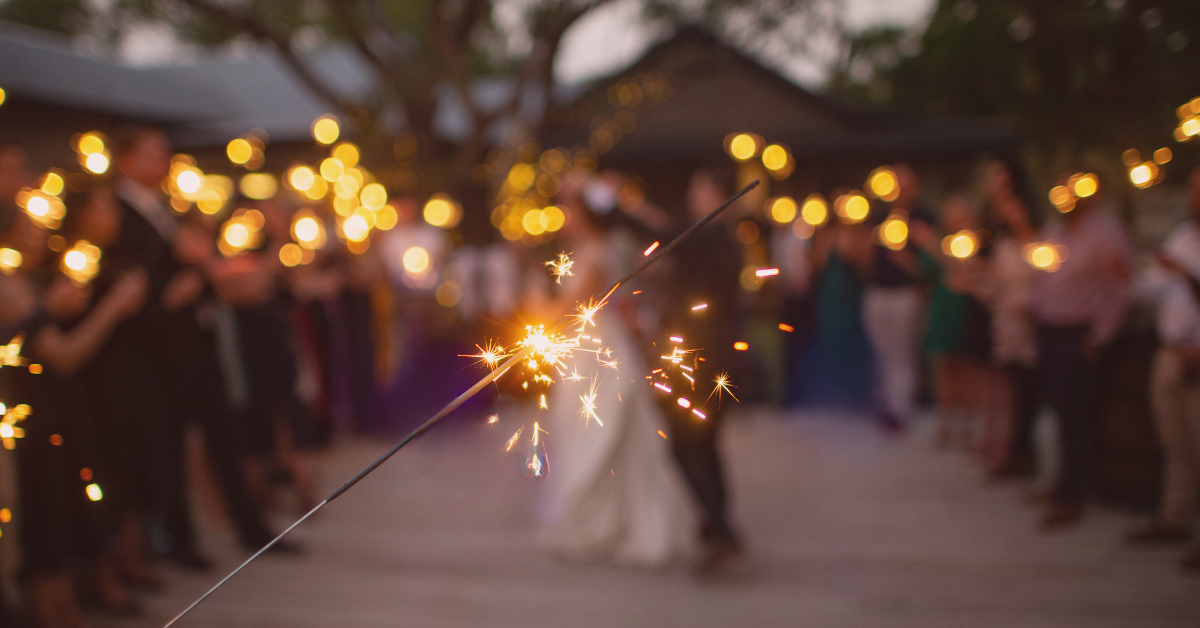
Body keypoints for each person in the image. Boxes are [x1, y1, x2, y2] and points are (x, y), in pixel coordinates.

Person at [539, 170, 691, 567]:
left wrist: (533, 309)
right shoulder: (587, 250)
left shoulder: (597, 252)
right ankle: (597, 518)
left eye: (567, 207)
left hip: (596, 350)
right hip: (587, 348)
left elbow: (569, 308)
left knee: (599, 430)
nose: (561, 215)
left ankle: (603, 523)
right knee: (585, 428)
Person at [1026, 172, 1135, 528]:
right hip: (1050, 330)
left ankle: (1072, 495)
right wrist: (1035, 308)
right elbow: (1041, 272)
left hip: (1079, 335)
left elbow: (1119, 289)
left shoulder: (1106, 234)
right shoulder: (1056, 230)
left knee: (1075, 416)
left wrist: (1098, 337)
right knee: (1056, 410)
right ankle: (1060, 482)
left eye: (1076, 190)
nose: (1066, 196)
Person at [657, 167, 744, 573]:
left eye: (696, 188)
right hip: (712, 356)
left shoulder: (709, 235)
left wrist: (608, 203)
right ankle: (719, 528)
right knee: (704, 444)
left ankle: (720, 529)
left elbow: (656, 232)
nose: (692, 196)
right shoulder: (725, 238)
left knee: (685, 445)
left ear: (714, 191)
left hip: (700, 358)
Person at [1127, 167, 1200, 572]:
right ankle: (1176, 517)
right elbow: (1155, 288)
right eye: (1194, 190)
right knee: (1176, 445)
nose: (1196, 199)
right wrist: (1126, 277)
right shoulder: (1183, 238)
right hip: (1170, 354)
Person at [862, 164, 933, 431]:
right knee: (881, 352)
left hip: (905, 294)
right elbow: (865, 258)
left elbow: (931, 263)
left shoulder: (922, 217)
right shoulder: (880, 215)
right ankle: (884, 405)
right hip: (877, 292)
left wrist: (909, 263)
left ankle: (900, 410)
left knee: (902, 353)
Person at [983, 161, 1042, 480]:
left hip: (1030, 323)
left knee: (1027, 391)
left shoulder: (1037, 243)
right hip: (1005, 320)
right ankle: (1010, 450)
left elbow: (1046, 274)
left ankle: (1024, 453)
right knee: (1009, 387)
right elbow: (991, 280)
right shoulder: (1001, 243)